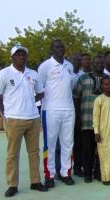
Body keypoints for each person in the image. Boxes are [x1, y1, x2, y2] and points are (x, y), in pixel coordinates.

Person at [0, 44, 47, 197]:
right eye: (18, 54)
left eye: (23, 54)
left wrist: (29, 101)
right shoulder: (4, 74)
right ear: (12, 57)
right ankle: (12, 184)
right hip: (14, 119)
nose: (22, 57)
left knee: (34, 152)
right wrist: (4, 107)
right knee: (12, 154)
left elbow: (40, 93)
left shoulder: (33, 74)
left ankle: (35, 181)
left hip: (33, 118)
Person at [38, 39, 75, 188]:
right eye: (58, 47)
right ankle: (49, 175)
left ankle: (66, 173)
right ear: (52, 49)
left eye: (63, 46)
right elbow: (39, 89)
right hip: (51, 110)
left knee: (67, 143)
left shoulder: (69, 66)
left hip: (68, 110)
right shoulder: (45, 67)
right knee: (50, 144)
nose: (61, 49)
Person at [74, 55, 109, 183]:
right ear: (92, 64)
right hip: (87, 121)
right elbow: (76, 97)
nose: (99, 65)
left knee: (102, 150)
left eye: (101, 63)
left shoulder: (109, 80)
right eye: (96, 63)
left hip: (104, 123)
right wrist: (78, 116)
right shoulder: (83, 79)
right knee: (87, 149)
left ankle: (100, 173)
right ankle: (87, 173)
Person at [93, 77, 110, 185]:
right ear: (101, 86)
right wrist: (96, 132)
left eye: (109, 84)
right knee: (105, 154)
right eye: (105, 84)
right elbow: (95, 116)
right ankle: (106, 177)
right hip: (103, 131)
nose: (108, 86)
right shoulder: (99, 99)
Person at [70, 53, 84, 177]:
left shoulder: (82, 76)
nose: (77, 62)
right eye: (75, 60)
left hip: (78, 112)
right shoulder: (66, 73)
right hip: (65, 111)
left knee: (79, 142)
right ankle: (63, 169)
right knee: (67, 142)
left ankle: (78, 167)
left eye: (79, 60)